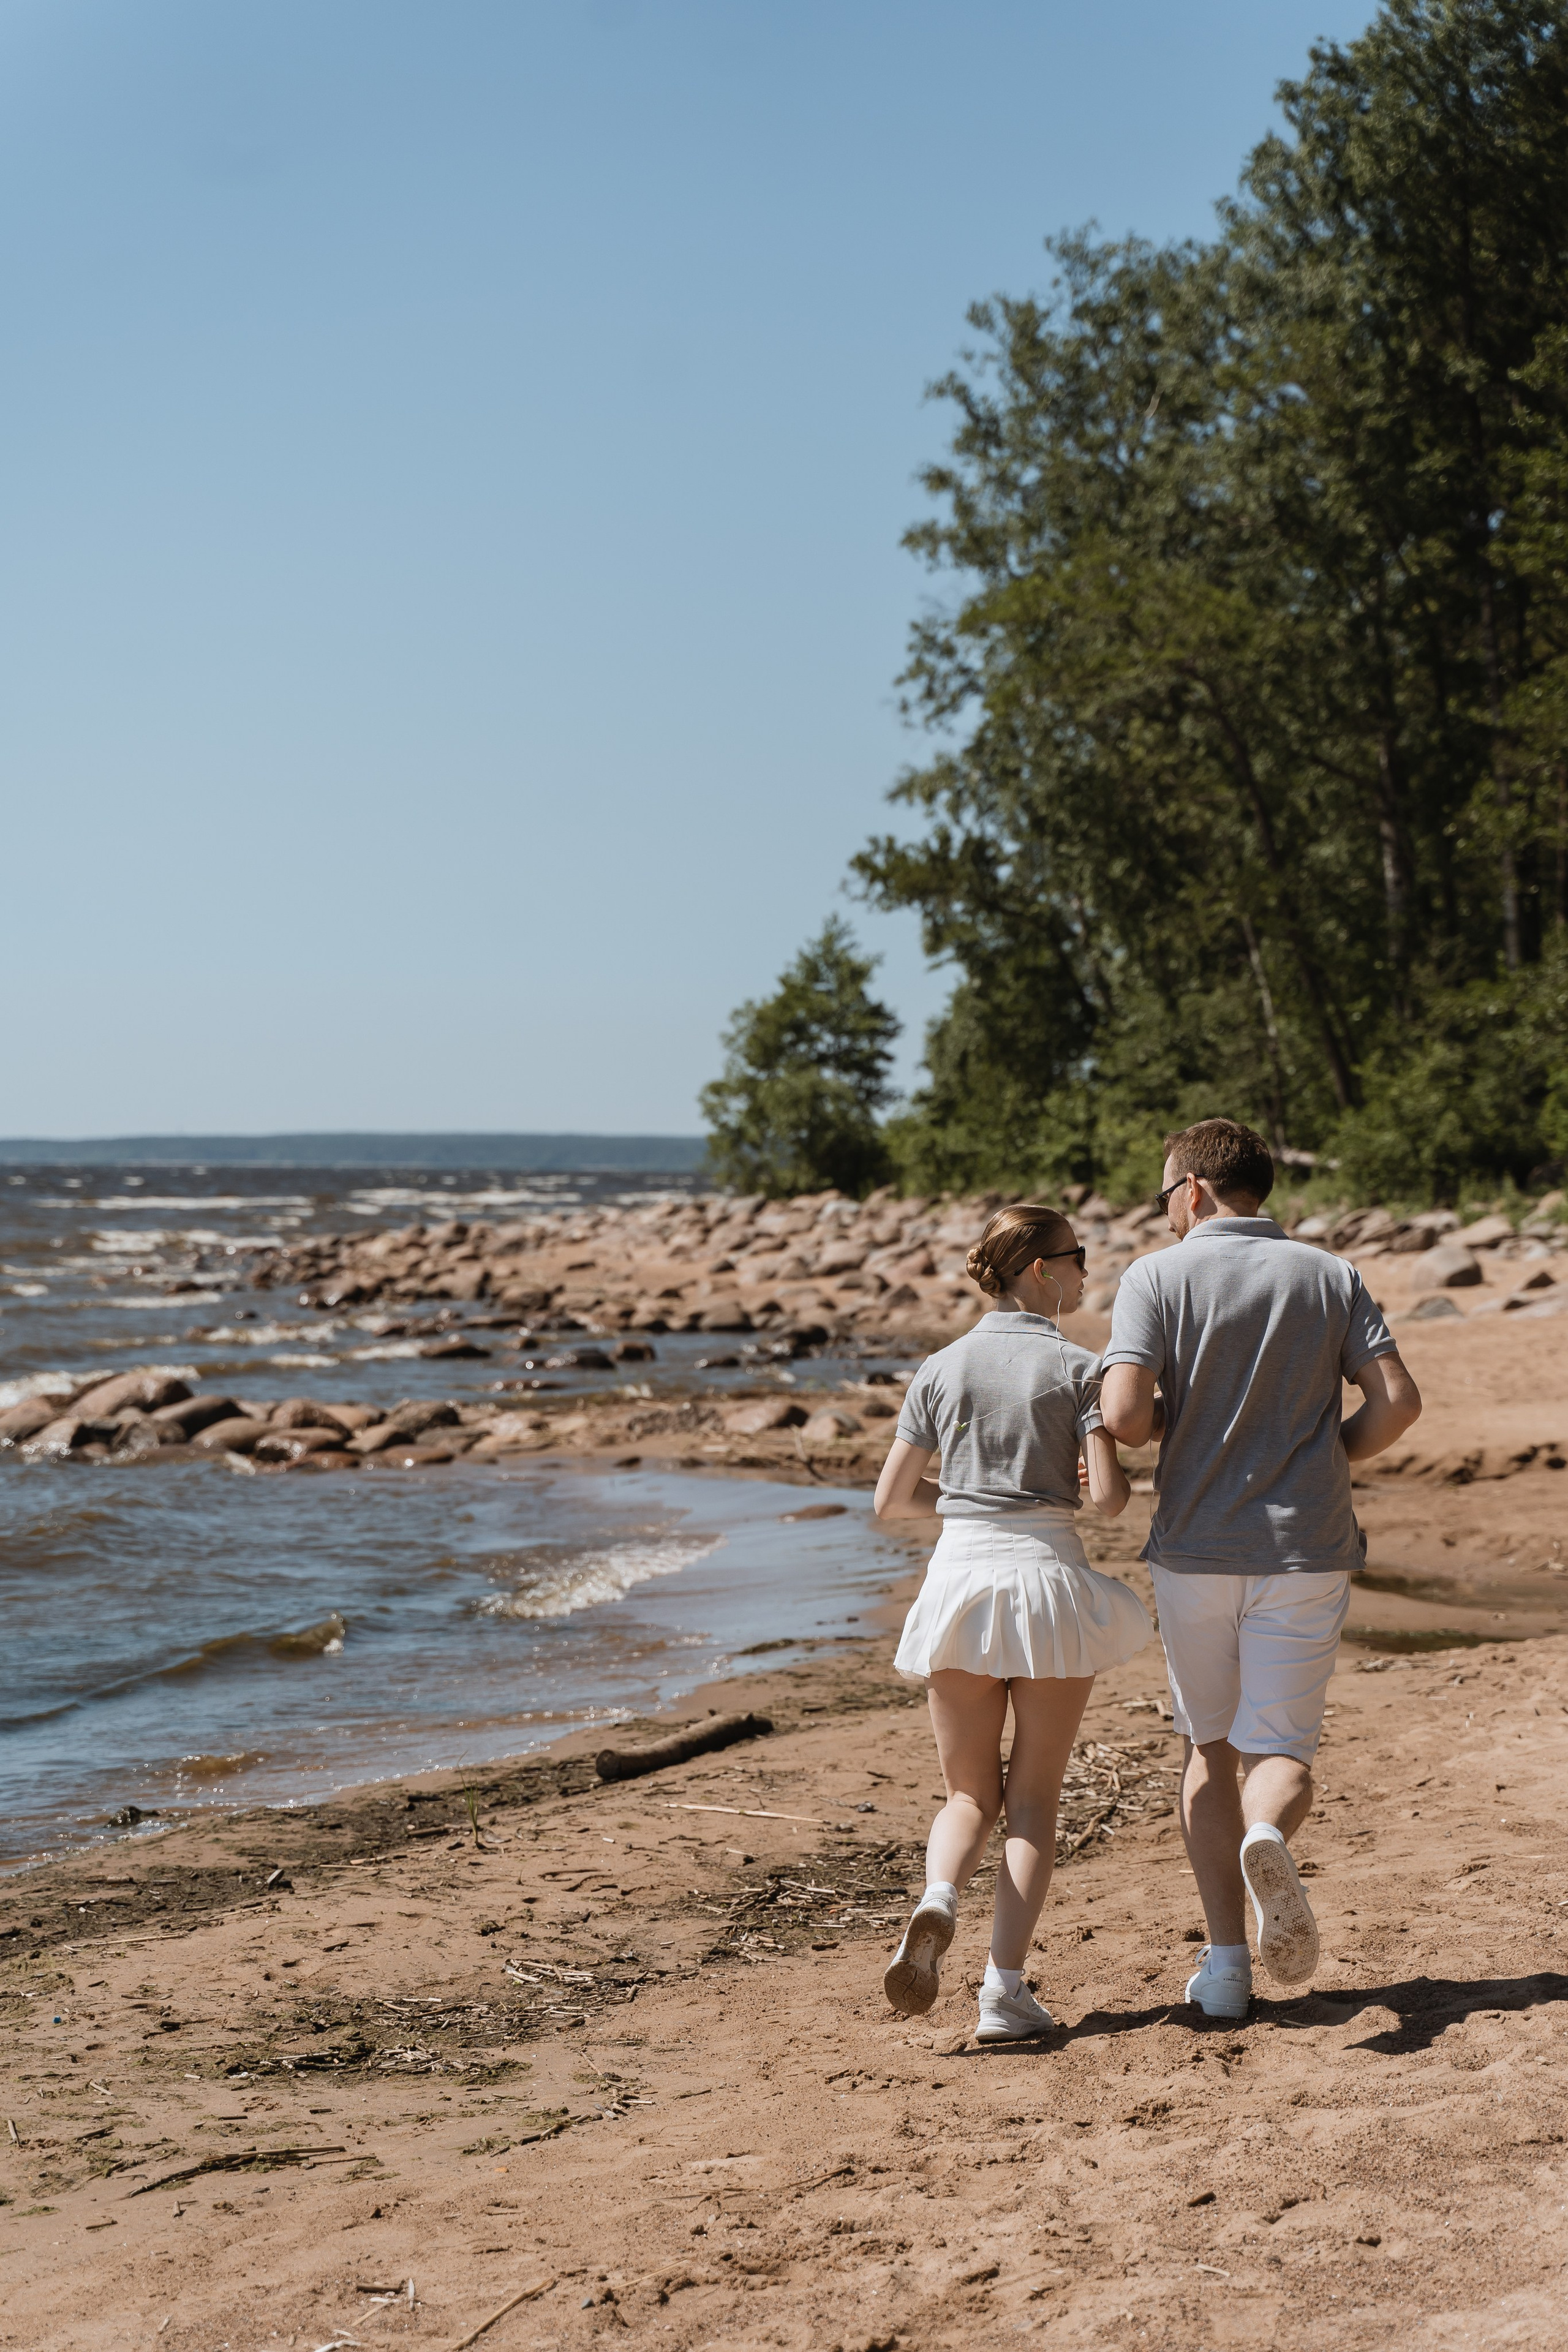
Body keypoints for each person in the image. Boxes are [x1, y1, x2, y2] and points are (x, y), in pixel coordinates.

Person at [1099, 1118, 1422, 2019]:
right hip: (1306, 1547)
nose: (1164, 1213)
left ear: (1195, 1190)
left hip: (1197, 1550)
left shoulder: (1156, 1277)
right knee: (1281, 1747)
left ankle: (1228, 1970)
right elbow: (1399, 1402)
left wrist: (1172, 1421)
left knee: (1209, 1750)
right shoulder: (1328, 1273)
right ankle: (1268, 1831)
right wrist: (1326, 1454)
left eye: (1164, 1196)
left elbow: (1124, 1417)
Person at [873, 1202, 1152, 2044]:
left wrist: (967, 1500)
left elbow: (891, 1501)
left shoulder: (940, 1367)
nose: (1085, 1271)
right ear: (1040, 1270)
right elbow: (1109, 1501)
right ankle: (1002, 1991)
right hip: (1044, 1586)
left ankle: (938, 1896)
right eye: (1076, 1256)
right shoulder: (1081, 1368)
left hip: (960, 1583)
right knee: (1032, 1801)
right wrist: (1089, 1469)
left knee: (967, 1794)